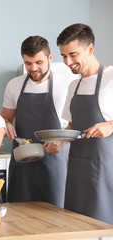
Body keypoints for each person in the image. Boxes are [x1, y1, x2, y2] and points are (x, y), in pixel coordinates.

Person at [0, 36, 71, 207]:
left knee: (55, 220)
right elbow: (5, 118)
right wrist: (7, 124)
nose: (33, 68)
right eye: (28, 63)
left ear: (50, 58)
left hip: (52, 163)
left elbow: (74, 125)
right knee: (19, 218)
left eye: (39, 62)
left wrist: (61, 141)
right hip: (22, 163)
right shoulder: (14, 85)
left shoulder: (66, 85)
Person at [55, 23, 113, 224]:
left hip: (104, 168)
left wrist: (110, 125)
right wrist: (58, 141)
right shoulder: (74, 85)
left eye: (72, 54)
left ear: (90, 48)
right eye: (63, 56)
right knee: (75, 222)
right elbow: (72, 126)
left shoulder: (112, 77)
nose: (67, 61)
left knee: (102, 223)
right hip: (77, 167)